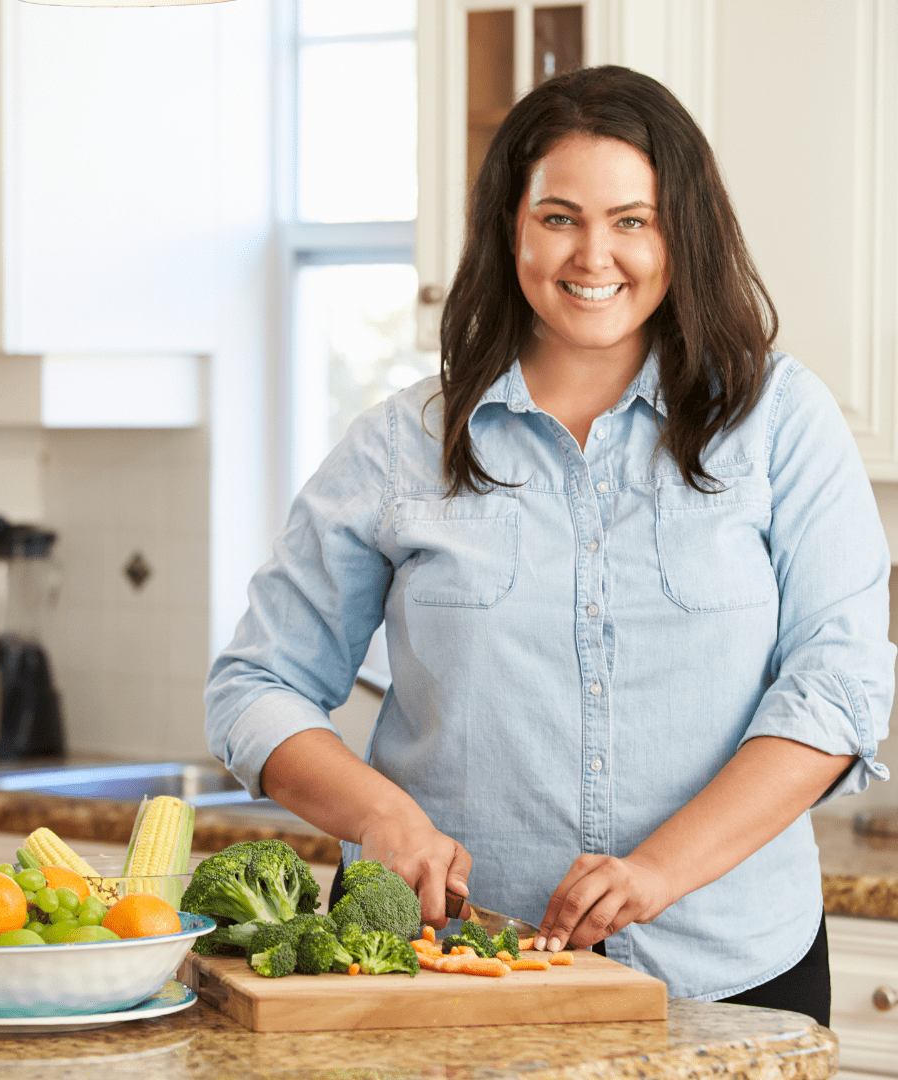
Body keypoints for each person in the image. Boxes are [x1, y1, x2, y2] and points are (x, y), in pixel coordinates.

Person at [204, 66, 894, 1024]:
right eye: (560, 217)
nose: (594, 254)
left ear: (679, 234)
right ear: (511, 228)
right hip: (443, 975)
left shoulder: (779, 422)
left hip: (732, 970)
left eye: (632, 220)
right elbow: (254, 685)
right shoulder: (399, 447)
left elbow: (840, 687)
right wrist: (379, 814)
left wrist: (658, 871)